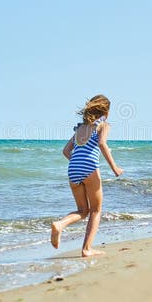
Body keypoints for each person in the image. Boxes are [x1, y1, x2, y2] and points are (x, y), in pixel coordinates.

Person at [51, 94, 123, 257]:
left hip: (73, 169)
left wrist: (78, 163)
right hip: (90, 168)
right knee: (96, 211)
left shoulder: (79, 129)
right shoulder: (103, 125)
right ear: (105, 112)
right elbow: (102, 144)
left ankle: (60, 224)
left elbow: (66, 151)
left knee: (82, 210)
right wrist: (115, 168)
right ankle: (86, 249)